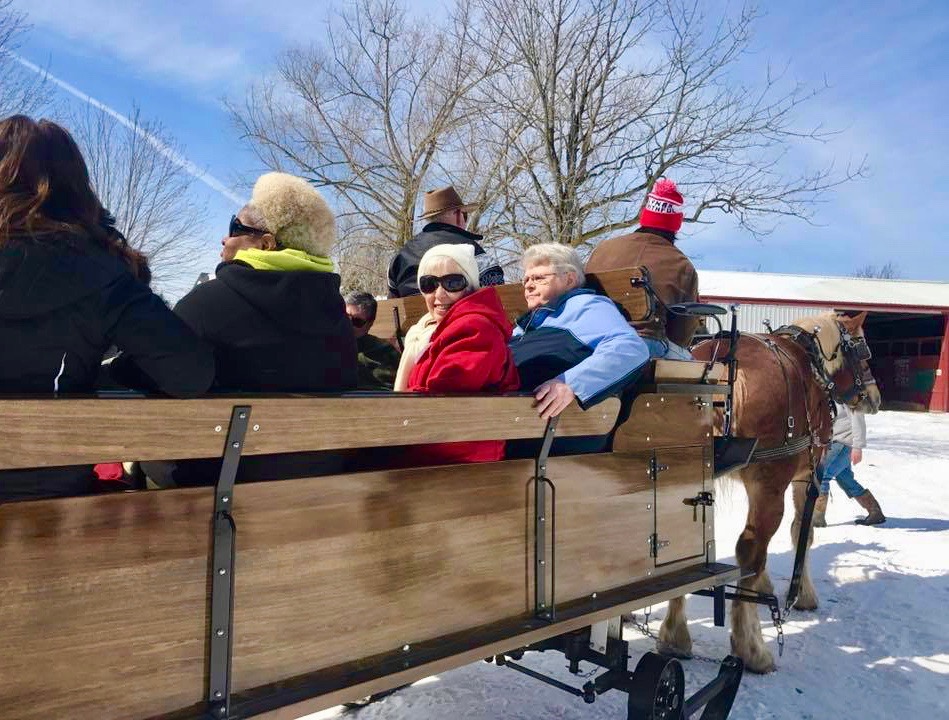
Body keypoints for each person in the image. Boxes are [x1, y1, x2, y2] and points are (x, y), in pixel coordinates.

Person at [0, 115, 214, 501]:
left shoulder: (105, 272)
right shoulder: (104, 274)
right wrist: (105, 375)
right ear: (76, 189)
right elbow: (190, 373)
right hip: (46, 506)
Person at [173, 172, 357, 393]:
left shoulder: (205, 305)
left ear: (266, 244)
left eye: (235, 227)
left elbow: (139, 377)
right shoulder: (340, 321)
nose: (225, 238)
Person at [402, 243, 519, 464]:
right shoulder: (428, 331)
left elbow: (447, 393)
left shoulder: (477, 328)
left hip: (460, 456)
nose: (439, 293)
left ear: (470, 285)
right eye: (428, 284)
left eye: (452, 282)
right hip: (437, 443)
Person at [510, 243, 650, 420]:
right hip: (502, 412)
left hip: (543, 426)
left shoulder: (585, 306)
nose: (529, 286)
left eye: (538, 278)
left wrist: (570, 383)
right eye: (526, 280)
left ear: (569, 280)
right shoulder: (528, 323)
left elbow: (630, 349)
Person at [584, 178, 698, 360]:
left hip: (592, 337)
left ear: (644, 215)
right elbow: (681, 333)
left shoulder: (603, 249)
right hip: (644, 343)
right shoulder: (681, 265)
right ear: (676, 223)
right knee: (695, 366)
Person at [387, 186, 504, 298]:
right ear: (458, 215)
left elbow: (392, 304)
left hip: (413, 319)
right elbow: (500, 296)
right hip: (465, 318)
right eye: (465, 215)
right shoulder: (471, 250)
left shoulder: (399, 257)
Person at [813, 403, 885, 527]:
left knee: (821, 475)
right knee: (845, 478)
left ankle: (817, 518)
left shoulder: (849, 395)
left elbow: (858, 420)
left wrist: (858, 446)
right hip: (834, 441)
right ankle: (875, 511)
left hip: (842, 443)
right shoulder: (832, 393)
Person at [345, 291, 401, 390]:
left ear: (370, 324)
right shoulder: (328, 346)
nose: (349, 325)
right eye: (345, 318)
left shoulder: (385, 352)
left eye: (357, 321)